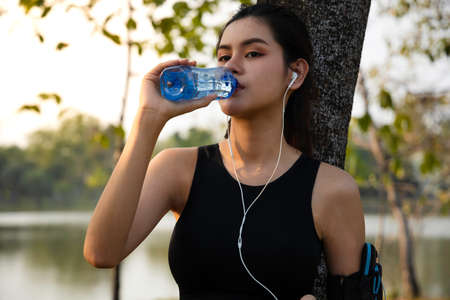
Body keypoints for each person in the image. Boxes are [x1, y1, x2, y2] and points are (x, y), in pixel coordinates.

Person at [83, 4, 365, 300]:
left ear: (295, 73)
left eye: (253, 53)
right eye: (224, 56)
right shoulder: (178, 169)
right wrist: (148, 119)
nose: (231, 65)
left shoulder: (332, 189)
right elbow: (101, 253)